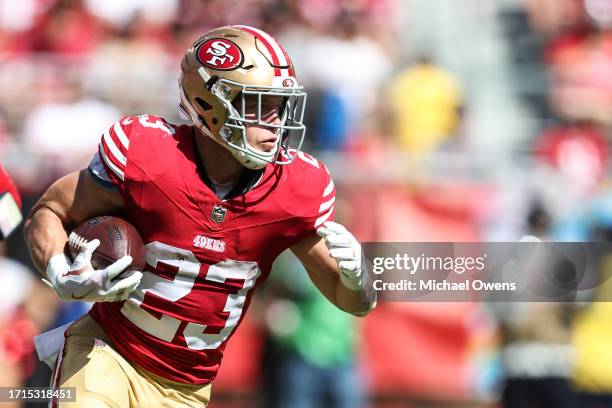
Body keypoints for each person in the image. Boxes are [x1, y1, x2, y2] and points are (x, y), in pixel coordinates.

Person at [23, 25, 376, 407]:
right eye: (258, 105)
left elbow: (351, 300)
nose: (275, 122)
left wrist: (359, 278)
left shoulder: (294, 190)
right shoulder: (150, 156)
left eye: (280, 105)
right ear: (209, 103)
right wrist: (59, 271)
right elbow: (49, 211)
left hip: (186, 389)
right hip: (108, 352)